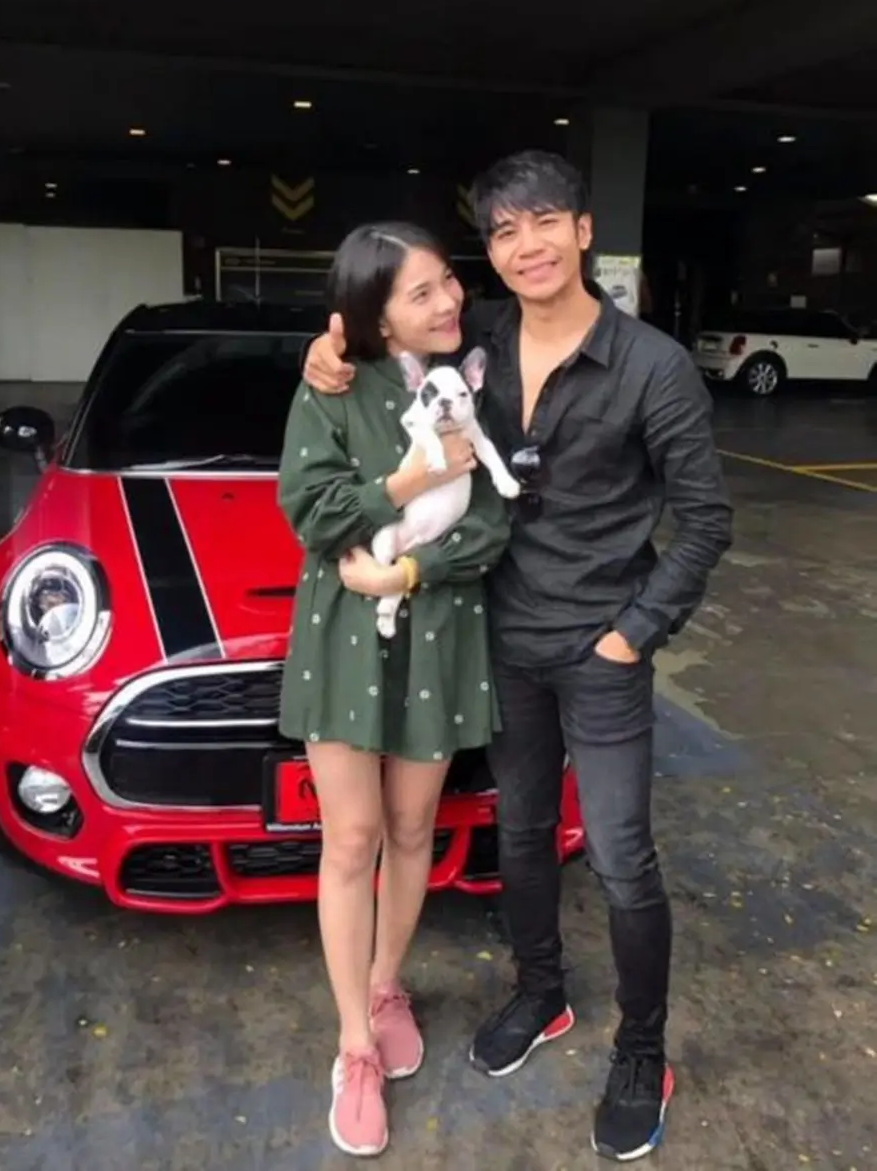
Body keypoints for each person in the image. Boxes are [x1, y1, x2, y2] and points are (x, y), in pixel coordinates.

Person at [302, 152, 733, 1163]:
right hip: (503, 637)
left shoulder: (652, 366)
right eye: (503, 230)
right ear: (490, 253)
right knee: (525, 834)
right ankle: (541, 992)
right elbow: (380, 336)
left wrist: (634, 631)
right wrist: (323, 351)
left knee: (620, 856)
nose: (526, 245)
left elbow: (706, 520)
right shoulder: (479, 339)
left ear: (584, 230)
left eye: (544, 222)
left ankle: (642, 1051)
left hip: (604, 646)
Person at [278, 222, 511, 1158]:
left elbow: (489, 524)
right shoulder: (331, 385)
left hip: (438, 629)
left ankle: (385, 984)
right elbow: (310, 506)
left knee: (414, 828)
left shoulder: (471, 382)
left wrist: (412, 571)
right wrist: (405, 481)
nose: (449, 299)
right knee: (353, 837)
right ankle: (353, 1045)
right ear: (375, 316)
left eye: (448, 280)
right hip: (344, 635)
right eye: (422, 292)